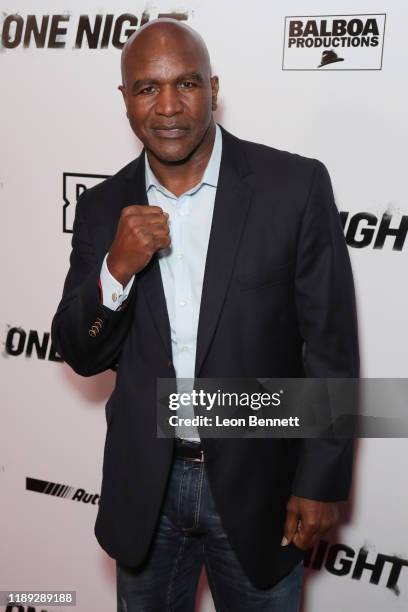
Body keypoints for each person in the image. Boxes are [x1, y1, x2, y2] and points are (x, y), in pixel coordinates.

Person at [51, 18, 359, 612]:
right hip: (147, 490)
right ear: (125, 99)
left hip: (260, 484)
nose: (168, 106)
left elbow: (330, 348)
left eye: (186, 84)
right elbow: (80, 352)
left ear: (214, 88)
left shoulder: (293, 187)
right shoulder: (102, 209)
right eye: (147, 88)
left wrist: (319, 482)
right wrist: (114, 270)